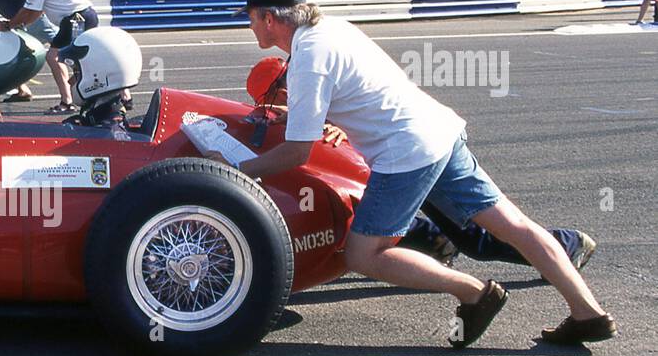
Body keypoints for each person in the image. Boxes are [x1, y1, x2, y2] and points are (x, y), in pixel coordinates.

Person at [232, 0, 615, 347]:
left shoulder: (308, 57)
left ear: (268, 18)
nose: (250, 28)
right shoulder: (332, 29)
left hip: (407, 152)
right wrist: (297, 116)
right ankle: (588, 312)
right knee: (514, 226)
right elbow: (358, 90)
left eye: (250, 19)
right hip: (440, 131)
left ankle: (474, 292)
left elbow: (298, 152)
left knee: (363, 254)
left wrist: (236, 171)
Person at [243, 57, 597, 270]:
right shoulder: (313, 81)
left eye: (272, 102)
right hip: (403, 157)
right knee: (403, 224)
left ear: (282, 90)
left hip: (411, 155)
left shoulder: (318, 85)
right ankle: (437, 242)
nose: (274, 109)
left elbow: (354, 111)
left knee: (476, 239)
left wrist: (336, 128)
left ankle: (566, 245)